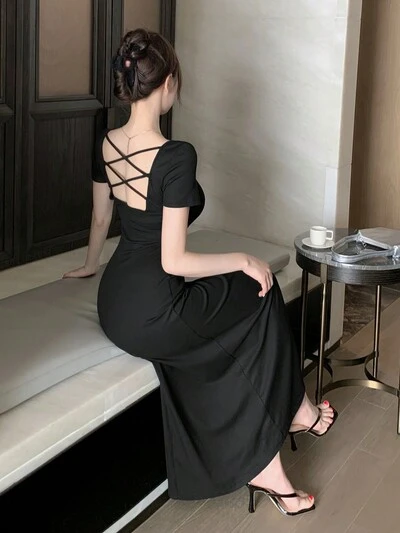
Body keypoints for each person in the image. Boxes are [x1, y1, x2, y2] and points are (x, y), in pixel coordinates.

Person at [64, 28, 337, 516]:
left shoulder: (106, 142)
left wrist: (88, 266)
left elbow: (101, 219)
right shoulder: (175, 155)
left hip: (115, 304)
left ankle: (293, 416)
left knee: (240, 311)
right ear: (168, 82)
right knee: (261, 289)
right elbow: (174, 261)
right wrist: (243, 259)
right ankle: (285, 431)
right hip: (157, 309)